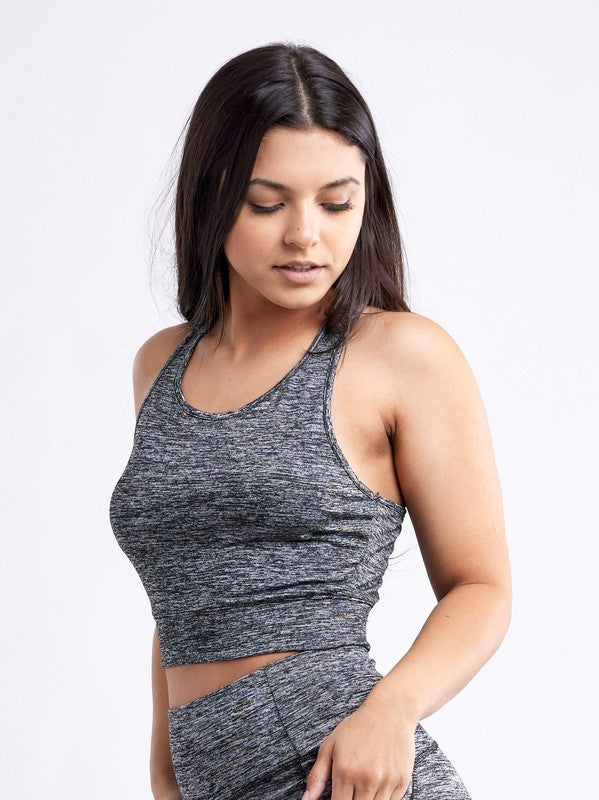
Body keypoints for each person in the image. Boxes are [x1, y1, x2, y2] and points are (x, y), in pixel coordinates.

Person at [109, 42, 511, 800]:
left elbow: (481, 586)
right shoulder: (159, 365)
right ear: (210, 196)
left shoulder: (397, 354)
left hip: (345, 770)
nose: (305, 235)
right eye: (266, 203)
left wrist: (390, 710)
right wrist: (164, 775)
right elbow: (185, 583)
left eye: (336, 202)